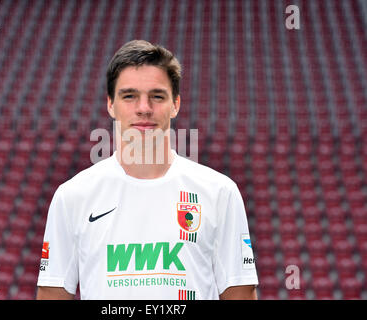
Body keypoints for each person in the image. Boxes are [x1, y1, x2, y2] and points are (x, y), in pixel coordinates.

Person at [36, 40, 258, 300]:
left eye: (157, 96)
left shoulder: (219, 192)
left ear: (176, 104)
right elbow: (52, 293)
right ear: (110, 104)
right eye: (129, 96)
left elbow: (239, 293)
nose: (144, 108)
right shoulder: (72, 196)